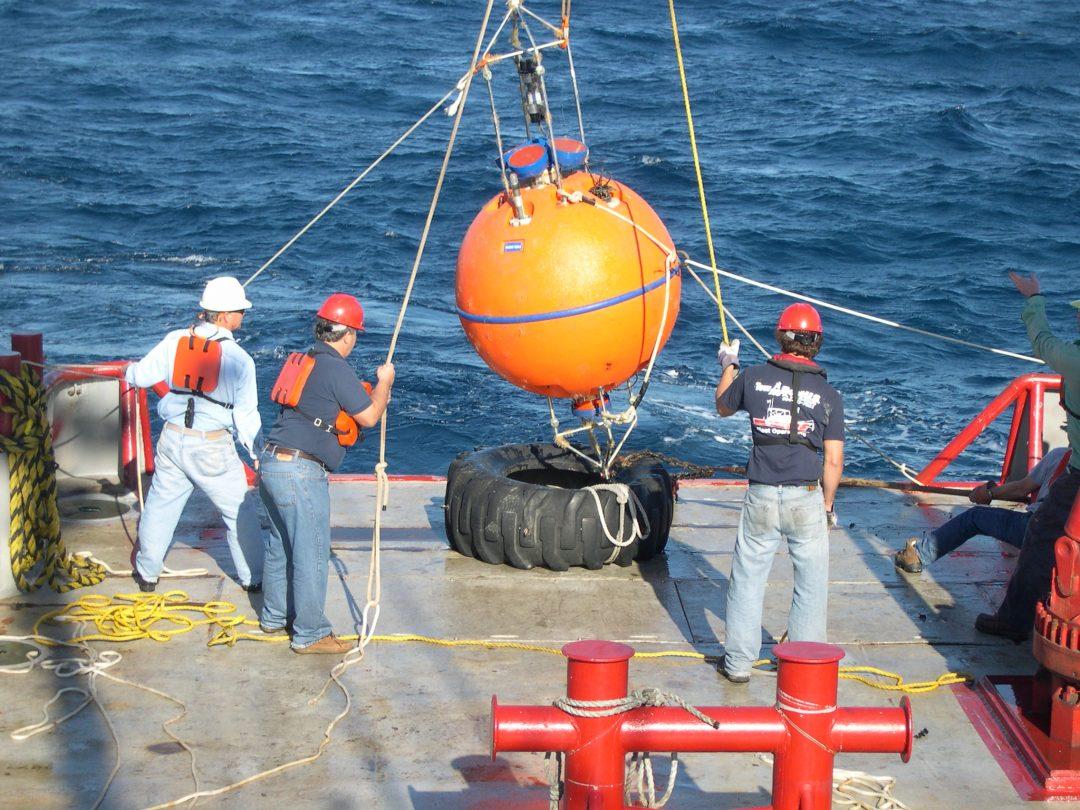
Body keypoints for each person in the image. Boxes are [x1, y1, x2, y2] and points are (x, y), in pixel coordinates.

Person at [714, 303, 844, 683]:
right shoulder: (829, 394)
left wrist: (728, 363)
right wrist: (827, 504)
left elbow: (723, 406)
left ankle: (737, 665)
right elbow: (833, 461)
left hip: (761, 495)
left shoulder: (753, 377)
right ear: (816, 342)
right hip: (806, 495)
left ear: (781, 336)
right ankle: (802, 667)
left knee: (748, 578)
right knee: (811, 581)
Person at [259, 293, 394, 654]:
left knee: (279, 545)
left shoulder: (307, 360)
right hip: (300, 472)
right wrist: (385, 382)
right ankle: (311, 633)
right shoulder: (336, 368)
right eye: (356, 335)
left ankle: (274, 617)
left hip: (271, 461)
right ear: (347, 334)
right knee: (311, 551)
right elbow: (368, 417)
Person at [124, 276, 264, 592]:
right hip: (211, 447)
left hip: (172, 439)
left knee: (160, 506)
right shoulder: (240, 359)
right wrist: (258, 455)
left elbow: (141, 376)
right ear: (226, 316)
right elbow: (246, 417)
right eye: (241, 310)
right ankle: (253, 578)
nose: (243, 315)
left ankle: (147, 573)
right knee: (239, 513)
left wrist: (125, 373)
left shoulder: (175, 339)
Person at [976, 274, 1080, 642]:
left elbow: (1043, 341)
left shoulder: (1075, 359)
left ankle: (1016, 619)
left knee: (1042, 535)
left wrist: (1034, 297)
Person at [894, 447, 1071, 574]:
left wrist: (987, 493)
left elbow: (1021, 488)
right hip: (1069, 544)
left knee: (974, 517)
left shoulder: (1061, 455)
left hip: (1039, 531)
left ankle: (918, 555)